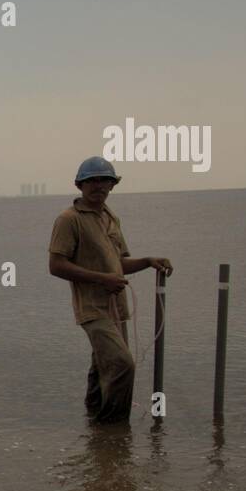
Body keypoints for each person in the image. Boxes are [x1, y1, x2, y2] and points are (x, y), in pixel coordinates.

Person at [47, 156, 173, 424]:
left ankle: (93, 426)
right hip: (92, 309)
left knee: (102, 365)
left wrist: (148, 261)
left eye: (105, 180)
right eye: (91, 181)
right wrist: (102, 279)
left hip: (117, 308)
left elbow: (119, 264)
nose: (98, 186)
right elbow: (56, 265)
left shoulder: (111, 217)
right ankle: (113, 429)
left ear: (113, 185)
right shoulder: (68, 219)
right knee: (122, 364)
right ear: (79, 185)